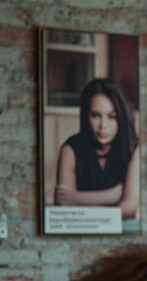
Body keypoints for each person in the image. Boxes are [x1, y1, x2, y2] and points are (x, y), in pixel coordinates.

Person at [52, 78, 142, 233]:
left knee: (133, 226)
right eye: (95, 115)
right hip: (82, 228)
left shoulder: (131, 148)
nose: (103, 126)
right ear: (86, 116)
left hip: (121, 226)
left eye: (112, 117)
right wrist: (114, 195)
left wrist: (76, 199)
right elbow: (64, 207)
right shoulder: (70, 149)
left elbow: (129, 209)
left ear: (120, 117)